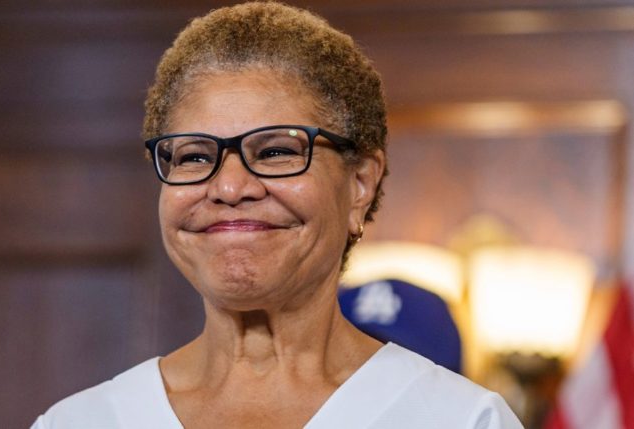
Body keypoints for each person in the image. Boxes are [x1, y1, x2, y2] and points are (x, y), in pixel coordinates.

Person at [32, 2, 523, 428]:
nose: (228, 186)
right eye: (195, 156)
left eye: (274, 152)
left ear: (359, 184)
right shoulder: (78, 423)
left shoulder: (461, 420)